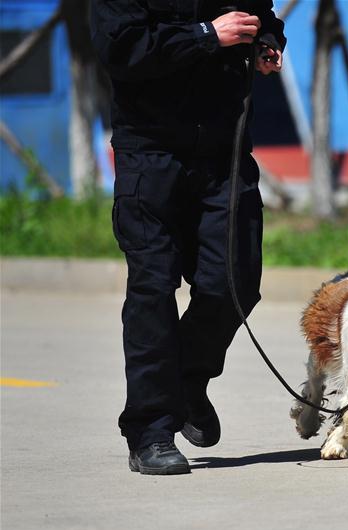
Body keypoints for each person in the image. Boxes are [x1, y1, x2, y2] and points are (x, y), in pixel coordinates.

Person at [91, 0, 286, 475]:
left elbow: (262, 17)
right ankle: (150, 430)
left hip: (224, 154)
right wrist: (206, 36)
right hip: (150, 153)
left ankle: (185, 382)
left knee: (235, 281)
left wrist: (266, 43)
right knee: (153, 290)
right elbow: (121, 49)